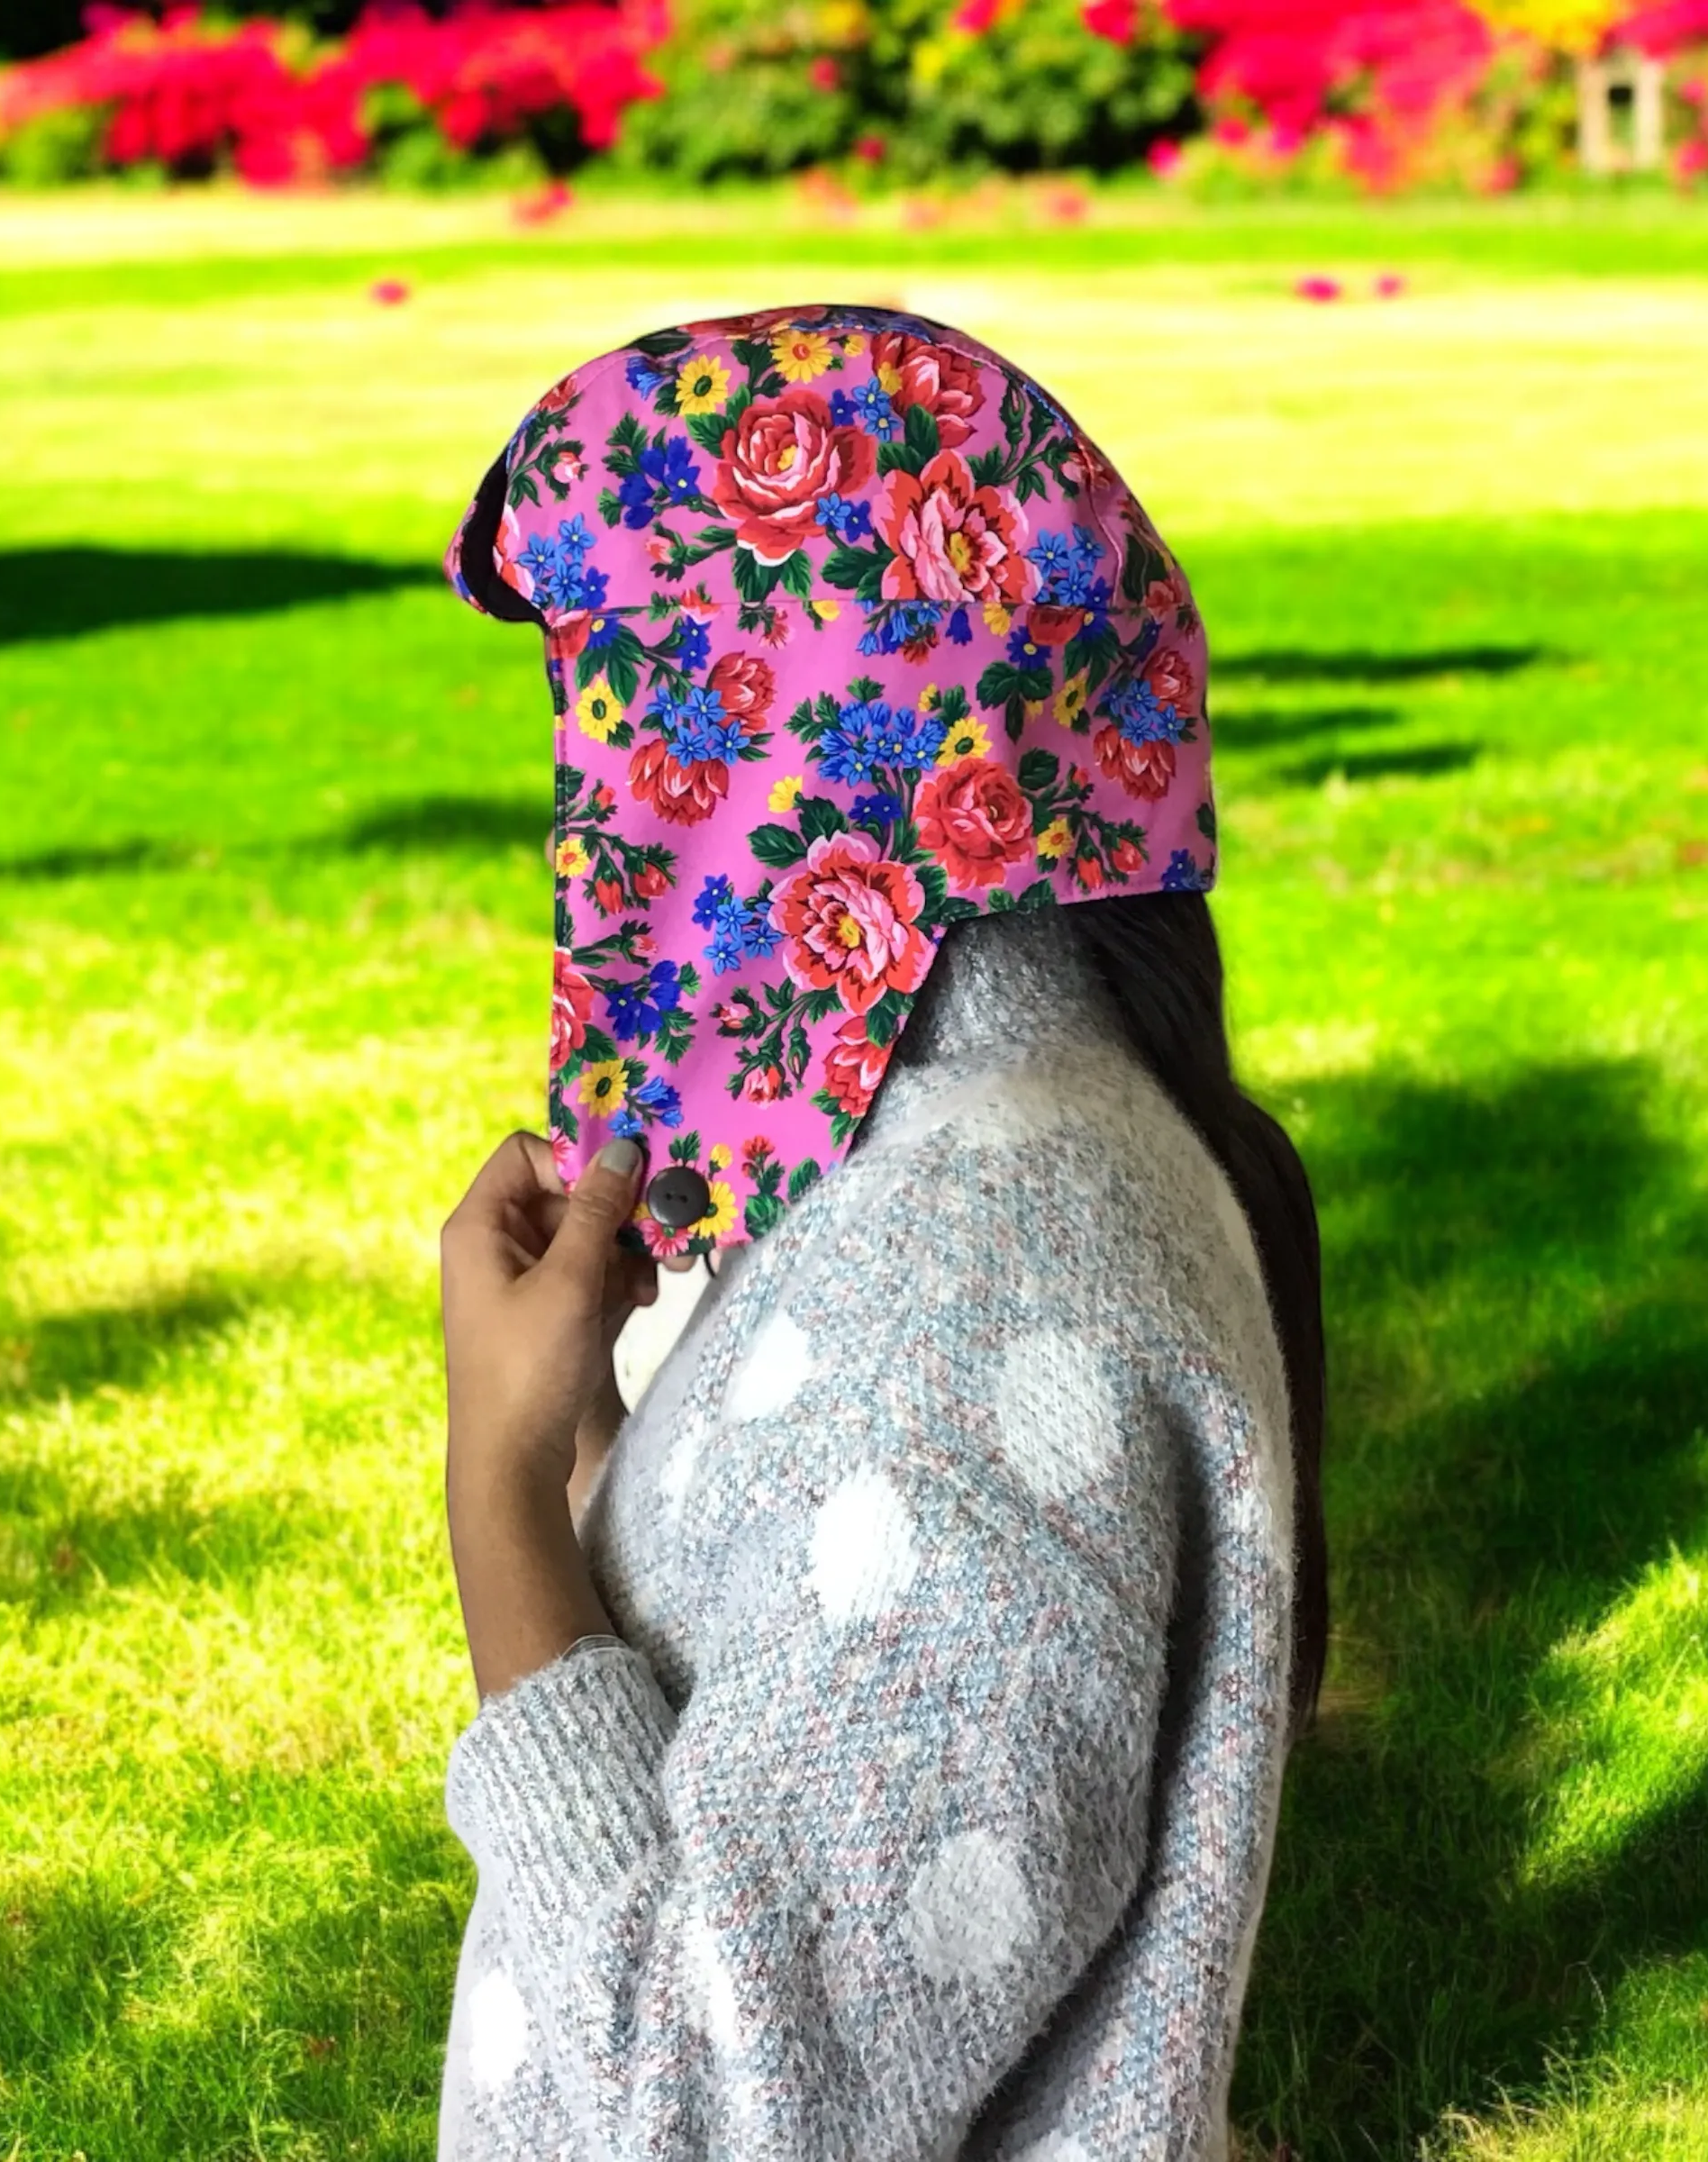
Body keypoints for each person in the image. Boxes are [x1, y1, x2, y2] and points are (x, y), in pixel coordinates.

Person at [432, 304, 1328, 2161]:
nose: (588, 820)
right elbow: (783, 1720)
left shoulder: (961, 1328)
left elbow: (695, 2104)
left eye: (628, 717)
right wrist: (609, 1425)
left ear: (774, 769)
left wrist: (499, 1489)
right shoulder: (973, 1172)